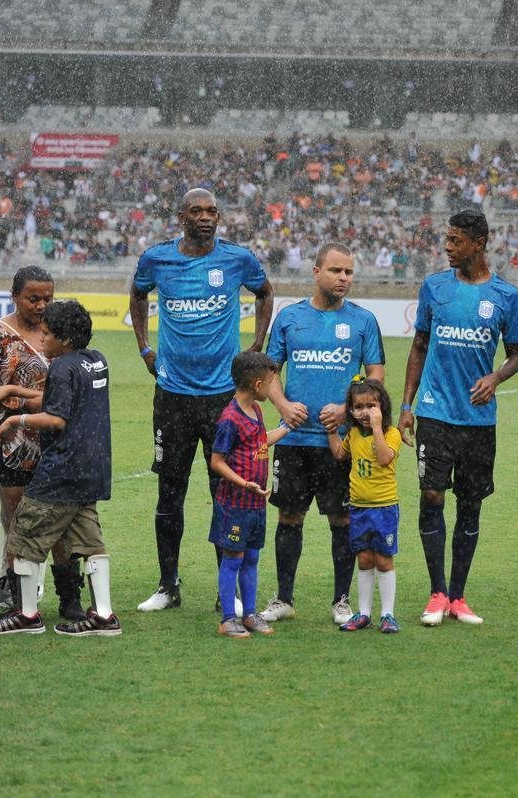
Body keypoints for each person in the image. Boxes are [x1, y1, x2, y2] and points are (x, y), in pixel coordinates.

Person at [131, 188, 281, 612]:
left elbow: (265, 292)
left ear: (219, 216)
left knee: (226, 493)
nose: (205, 217)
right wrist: (145, 347)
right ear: (181, 216)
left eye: (212, 211)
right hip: (173, 395)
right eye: (196, 211)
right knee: (170, 492)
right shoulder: (157, 259)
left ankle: (226, 587)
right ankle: (167, 585)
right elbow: (138, 293)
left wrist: (256, 343)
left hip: (222, 399)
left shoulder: (237, 258)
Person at [399, 208, 518, 626]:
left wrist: (495, 376)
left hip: (478, 421)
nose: (448, 247)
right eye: (447, 239)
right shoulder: (434, 287)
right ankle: (436, 593)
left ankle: (458, 596)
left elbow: (516, 356)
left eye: (456, 240)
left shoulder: (506, 296)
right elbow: (418, 346)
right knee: (432, 497)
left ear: (480, 242)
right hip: (435, 414)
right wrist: (405, 406)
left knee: (470, 505)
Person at [258, 242, 384, 626]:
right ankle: (283, 598)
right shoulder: (289, 317)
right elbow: (269, 371)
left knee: (341, 521)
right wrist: (282, 406)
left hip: (341, 443)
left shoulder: (363, 321)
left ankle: (341, 600)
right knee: (289, 518)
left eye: (348, 272)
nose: (343, 278)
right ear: (316, 272)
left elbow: (376, 377)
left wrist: (348, 409)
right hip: (295, 440)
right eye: (336, 271)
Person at [0, 300, 119, 636]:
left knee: (25, 533)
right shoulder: (95, 361)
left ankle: (26, 616)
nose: (41, 339)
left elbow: (56, 417)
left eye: (47, 334)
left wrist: (16, 419)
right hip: (93, 466)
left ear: (65, 339)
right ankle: (103, 615)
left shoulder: (60, 367)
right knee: (88, 539)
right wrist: (15, 390)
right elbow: (59, 397)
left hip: (62, 468)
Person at [0, 266, 85, 621]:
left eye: (47, 298)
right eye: (32, 298)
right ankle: (16, 590)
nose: (41, 306)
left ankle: (70, 595)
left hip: (61, 443)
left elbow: (77, 383)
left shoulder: (61, 332)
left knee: (64, 520)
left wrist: (25, 402)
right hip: (14, 445)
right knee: (17, 520)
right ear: (14, 296)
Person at [208, 352, 289, 639]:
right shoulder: (230, 418)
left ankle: (250, 613)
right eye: (270, 383)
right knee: (233, 558)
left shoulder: (256, 409)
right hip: (235, 503)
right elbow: (217, 461)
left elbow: (259, 443)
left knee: (251, 556)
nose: (271, 388)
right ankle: (228, 618)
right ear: (256, 384)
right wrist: (244, 483)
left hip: (256, 502)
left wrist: (287, 427)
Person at [326, 377, 402, 633]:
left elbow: (383, 458)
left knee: (383, 560)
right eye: (358, 407)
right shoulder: (354, 433)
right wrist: (330, 431)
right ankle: (364, 613)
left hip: (384, 508)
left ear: (383, 407)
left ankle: (388, 614)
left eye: (372, 405)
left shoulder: (391, 433)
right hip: (358, 508)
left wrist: (379, 429)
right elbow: (340, 454)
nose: (365, 412)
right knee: (365, 559)